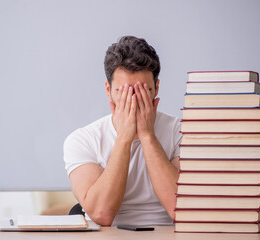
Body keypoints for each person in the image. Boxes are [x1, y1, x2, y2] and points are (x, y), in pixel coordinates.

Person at [63, 36, 182, 226]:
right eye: (124, 92)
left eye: (142, 91)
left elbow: (181, 209)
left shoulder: (180, 133)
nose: (133, 101)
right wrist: (124, 138)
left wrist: (147, 136)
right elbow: (101, 214)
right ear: (108, 90)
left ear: (156, 88)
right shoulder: (82, 140)